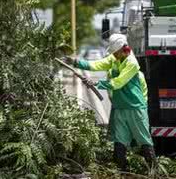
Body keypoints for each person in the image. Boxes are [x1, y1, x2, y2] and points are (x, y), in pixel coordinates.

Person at [64, 34, 156, 171]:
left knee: (144, 140)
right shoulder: (115, 58)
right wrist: (76, 62)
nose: (114, 55)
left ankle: (154, 171)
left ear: (123, 49)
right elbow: (97, 64)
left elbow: (118, 82)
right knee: (120, 140)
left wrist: (97, 83)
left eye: (115, 52)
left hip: (135, 107)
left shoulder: (132, 63)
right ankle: (122, 171)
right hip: (120, 107)